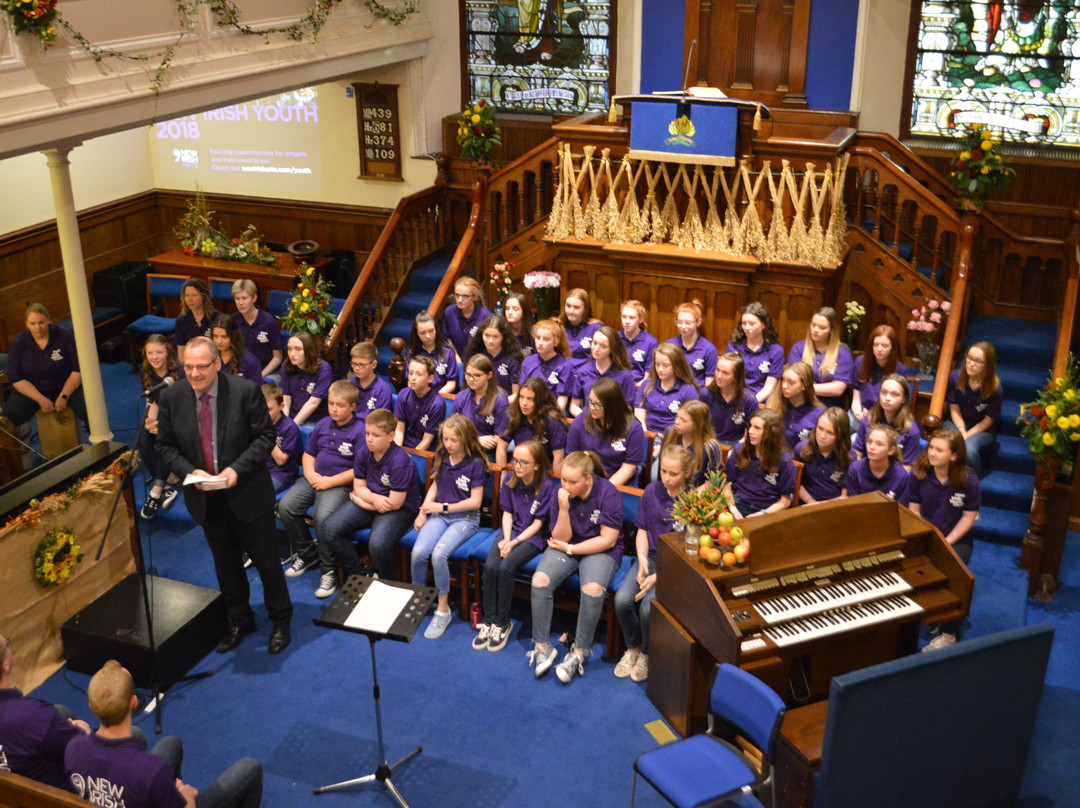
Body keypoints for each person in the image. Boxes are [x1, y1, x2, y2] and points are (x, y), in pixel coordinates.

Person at [156, 337, 293, 655]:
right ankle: (241, 621)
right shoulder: (173, 397)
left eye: (201, 366)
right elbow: (165, 445)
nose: (193, 374)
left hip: (247, 494)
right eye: (188, 367)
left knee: (267, 563)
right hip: (207, 498)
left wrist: (236, 471)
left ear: (217, 363)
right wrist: (191, 471)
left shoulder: (244, 392)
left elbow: (264, 438)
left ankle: (281, 620)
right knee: (226, 565)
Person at [65, 660, 262, 808]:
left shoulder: (74, 748)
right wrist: (186, 795)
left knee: (171, 744)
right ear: (134, 703)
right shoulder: (150, 770)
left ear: (91, 706)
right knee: (251, 768)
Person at [528, 451, 624, 684]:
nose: (567, 486)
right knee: (539, 581)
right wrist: (563, 508)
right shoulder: (559, 493)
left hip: (599, 550)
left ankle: (578, 653)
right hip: (567, 543)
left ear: (588, 479)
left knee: (592, 590)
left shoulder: (608, 493)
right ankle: (542, 646)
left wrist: (572, 550)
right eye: (564, 480)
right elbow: (560, 535)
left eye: (573, 482)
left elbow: (608, 540)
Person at [278, 380, 364, 600]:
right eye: (332, 404)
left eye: (340, 405)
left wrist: (329, 482)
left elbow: (360, 470)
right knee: (286, 506)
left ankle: (329, 570)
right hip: (314, 478)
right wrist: (310, 474)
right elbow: (309, 454)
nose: (334, 409)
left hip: (339, 485)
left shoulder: (361, 431)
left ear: (353, 406)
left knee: (321, 516)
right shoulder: (323, 424)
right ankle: (308, 554)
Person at [613, 445, 692, 684]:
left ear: (687, 474)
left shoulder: (694, 502)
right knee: (622, 600)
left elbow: (690, 551)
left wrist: (659, 577)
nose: (666, 478)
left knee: (648, 608)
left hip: (676, 566)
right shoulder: (651, 490)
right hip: (651, 557)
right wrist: (644, 560)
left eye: (674, 474)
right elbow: (642, 531)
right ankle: (632, 648)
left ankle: (647, 654)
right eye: (664, 471)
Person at [321, 409, 422, 582]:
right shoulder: (364, 451)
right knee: (329, 529)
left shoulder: (400, 461)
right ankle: (360, 573)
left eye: (376, 435)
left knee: (378, 544)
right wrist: (373, 499)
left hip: (400, 509)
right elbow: (359, 486)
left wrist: (365, 503)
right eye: (367, 433)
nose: (369, 439)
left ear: (391, 436)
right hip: (373, 499)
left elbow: (394, 504)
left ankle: (387, 581)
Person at [475, 440, 556, 653]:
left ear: (536, 465)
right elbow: (508, 513)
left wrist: (514, 543)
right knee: (491, 566)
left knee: (506, 567)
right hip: (510, 532)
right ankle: (489, 619)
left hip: (533, 537)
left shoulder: (546, 486)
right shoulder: (511, 479)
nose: (517, 466)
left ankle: (503, 622)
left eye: (523, 462)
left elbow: (539, 524)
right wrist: (507, 538)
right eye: (515, 460)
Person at [412, 415, 489, 640]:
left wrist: (442, 507)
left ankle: (442, 610)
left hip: (465, 519)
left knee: (439, 555)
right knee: (418, 552)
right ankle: (419, 599)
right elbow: (436, 485)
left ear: (465, 439)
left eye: (453, 440)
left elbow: (475, 502)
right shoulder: (443, 457)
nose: (448, 444)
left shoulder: (476, 464)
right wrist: (422, 511)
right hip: (439, 515)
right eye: (445, 439)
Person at [911, 429, 981, 651]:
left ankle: (949, 634)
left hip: (955, 538)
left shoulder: (968, 480)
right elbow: (914, 510)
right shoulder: (919, 473)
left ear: (953, 456)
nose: (931, 453)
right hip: (926, 534)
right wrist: (929, 538)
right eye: (931, 447)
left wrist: (946, 541)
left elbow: (969, 517)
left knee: (957, 575)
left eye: (938, 450)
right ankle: (930, 612)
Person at [0, 631, 90, 790]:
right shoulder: (32, 715)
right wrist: (83, 732)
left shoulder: (33, 716)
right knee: (134, 735)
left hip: (10, 790)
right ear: (5, 665)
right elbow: (84, 749)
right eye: (7, 644)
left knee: (61, 711)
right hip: (51, 797)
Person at [1, 303, 87, 427]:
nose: (38, 327)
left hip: (66, 386)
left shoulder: (65, 336)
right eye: (33, 324)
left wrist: (63, 396)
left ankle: (99, 441)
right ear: (26, 324)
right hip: (35, 389)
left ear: (48, 320)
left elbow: (77, 370)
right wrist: (40, 399)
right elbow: (16, 379)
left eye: (41, 322)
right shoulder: (18, 343)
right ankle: (21, 443)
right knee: (9, 415)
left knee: (89, 408)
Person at [566, 377, 646, 486]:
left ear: (612, 405)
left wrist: (605, 490)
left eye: (597, 404)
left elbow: (629, 468)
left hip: (620, 484)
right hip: (586, 480)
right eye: (590, 401)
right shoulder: (581, 421)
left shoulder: (633, 428)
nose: (592, 407)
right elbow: (573, 457)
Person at [139, 334, 183, 519]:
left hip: (179, 417)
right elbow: (153, 400)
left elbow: (184, 406)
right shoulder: (146, 372)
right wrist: (151, 422)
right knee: (144, 441)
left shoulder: (178, 372)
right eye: (150, 353)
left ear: (168, 352)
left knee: (164, 440)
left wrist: (163, 425)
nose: (154, 357)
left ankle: (155, 492)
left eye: (159, 352)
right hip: (161, 417)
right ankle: (165, 487)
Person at [944, 341, 1003, 477]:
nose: (971, 364)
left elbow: (988, 420)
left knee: (968, 449)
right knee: (945, 443)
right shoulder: (955, 377)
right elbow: (954, 408)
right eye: (969, 358)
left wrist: (966, 436)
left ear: (988, 365)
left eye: (977, 361)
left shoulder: (996, 389)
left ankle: (972, 486)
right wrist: (961, 431)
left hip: (981, 428)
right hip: (955, 422)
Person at [723, 408, 796, 518]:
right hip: (738, 503)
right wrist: (733, 509)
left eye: (757, 428)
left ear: (771, 433)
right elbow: (726, 485)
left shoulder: (784, 460)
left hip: (767, 509)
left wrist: (762, 514)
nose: (750, 431)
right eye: (750, 426)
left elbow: (785, 501)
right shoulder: (739, 450)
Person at [496, 376, 567, 473]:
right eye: (521, 397)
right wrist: (502, 478)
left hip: (544, 471)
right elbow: (501, 447)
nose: (524, 403)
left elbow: (558, 458)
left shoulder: (552, 421)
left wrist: (555, 484)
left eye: (530, 399)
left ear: (540, 400)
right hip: (519, 466)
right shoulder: (512, 415)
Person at [787, 306, 854, 408]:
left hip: (829, 407)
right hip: (801, 403)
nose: (815, 330)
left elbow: (838, 389)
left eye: (822, 327)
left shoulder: (842, 352)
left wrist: (805, 387)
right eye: (813, 325)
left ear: (831, 330)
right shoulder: (799, 347)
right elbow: (792, 380)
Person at [853, 373, 922, 466]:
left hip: (893, 477)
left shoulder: (911, 430)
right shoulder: (868, 420)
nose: (887, 398)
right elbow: (857, 455)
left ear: (904, 399)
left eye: (894, 394)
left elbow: (906, 468)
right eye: (884, 392)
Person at [634, 342, 701, 437]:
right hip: (647, 436)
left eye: (666, 365)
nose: (660, 369)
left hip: (673, 438)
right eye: (657, 364)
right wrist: (647, 437)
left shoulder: (688, 391)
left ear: (677, 365)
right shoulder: (646, 385)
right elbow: (639, 418)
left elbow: (687, 425)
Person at [570, 325, 637, 416]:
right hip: (588, 421)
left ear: (612, 349)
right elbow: (574, 405)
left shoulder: (624, 375)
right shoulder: (583, 371)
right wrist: (585, 419)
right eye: (594, 343)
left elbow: (627, 410)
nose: (596, 349)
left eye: (603, 346)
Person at [451, 354, 509, 457]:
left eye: (477, 375)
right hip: (462, 447)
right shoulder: (461, 396)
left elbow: (498, 441)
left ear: (489, 375)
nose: (471, 379)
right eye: (468, 375)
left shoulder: (500, 401)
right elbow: (452, 429)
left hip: (485, 454)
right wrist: (476, 440)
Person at [726, 301, 785, 403]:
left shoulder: (776, 351)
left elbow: (769, 387)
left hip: (761, 401)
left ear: (763, 325)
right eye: (744, 323)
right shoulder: (734, 346)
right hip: (735, 397)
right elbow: (727, 378)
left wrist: (752, 403)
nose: (747, 327)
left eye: (752, 324)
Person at [659, 399, 725, 487]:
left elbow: (712, 481)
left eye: (683, 420)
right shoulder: (670, 433)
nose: (677, 422)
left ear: (696, 425)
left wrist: (691, 497)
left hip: (695, 494)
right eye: (677, 417)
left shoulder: (710, 447)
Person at [851, 324, 909, 424]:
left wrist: (873, 414)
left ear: (892, 348)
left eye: (885, 345)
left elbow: (897, 405)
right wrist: (857, 412)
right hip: (860, 412)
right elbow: (856, 397)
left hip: (884, 418)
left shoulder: (900, 369)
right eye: (876, 344)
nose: (879, 349)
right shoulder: (860, 362)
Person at [842, 423, 911, 504]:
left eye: (879, 444)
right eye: (869, 442)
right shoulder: (855, 469)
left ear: (891, 450)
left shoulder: (901, 476)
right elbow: (852, 505)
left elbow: (900, 511)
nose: (872, 447)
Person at [798, 407, 854, 504]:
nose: (822, 436)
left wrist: (820, 506)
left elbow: (844, 497)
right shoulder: (801, 449)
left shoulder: (849, 458)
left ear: (840, 435)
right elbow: (796, 484)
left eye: (830, 433)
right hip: (805, 504)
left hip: (834, 508)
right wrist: (811, 502)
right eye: (820, 429)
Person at [519, 318, 575, 413]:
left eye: (546, 339)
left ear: (556, 342)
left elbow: (561, 403)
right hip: (528, 409)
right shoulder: (528, 361)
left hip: (550, 411)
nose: (540, 343)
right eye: (538, 338)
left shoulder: (565, 366)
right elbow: (522, 392)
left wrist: (548, 416)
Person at [703, 351, 759, 445]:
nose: (719, 376)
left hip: (737, 443)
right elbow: (700, 427)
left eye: (725, 373)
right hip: (710, 442)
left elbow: (748, 436)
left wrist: (736, 450)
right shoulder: (706, 394)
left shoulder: (749, 400)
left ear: (736, 377)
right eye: (717, 370)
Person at [231, 279, 283, 379]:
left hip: (267, 372)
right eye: (237, 299)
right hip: (243, 372)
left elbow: (277, 357)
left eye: (244, 298)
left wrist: (259, 376)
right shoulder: (234, 320)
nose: (240, 303)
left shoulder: (268, 321)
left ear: (254, 298)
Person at [394, 355, 446, 451]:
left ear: (430, 378)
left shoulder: (437, 404)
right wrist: (397, 452)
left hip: (424, 451)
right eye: (410, 373)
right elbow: (399, 430)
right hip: (404, 445)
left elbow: (426, 441)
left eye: (419, 374)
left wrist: (412, 456)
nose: (413, 378)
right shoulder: (403, 395)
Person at [280, 332, 333, 426]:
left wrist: (292, 426)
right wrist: (285, 422)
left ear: (309, 350)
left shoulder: (324, 369)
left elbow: (313, 403)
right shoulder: (286, 365)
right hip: (293, 414)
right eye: (289, 349)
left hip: (315, 419)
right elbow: (286, 397)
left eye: (298, 349)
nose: (292, 354)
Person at [768, 362, 826, 449]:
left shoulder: (819, 413)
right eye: (783, 380)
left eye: (790, 382)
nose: (784, 386)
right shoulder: (773, 404)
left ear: (804, 386)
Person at [464, 315, 523, 397]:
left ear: (503, 337)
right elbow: (468, 387)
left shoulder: (512, 359)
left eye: (495, 336)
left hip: (503, 405)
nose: (490, 341)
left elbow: (516, 394)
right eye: (487, 335)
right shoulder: (475, 354)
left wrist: (500, 405)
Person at [261, 382, 302, 494]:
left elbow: (281, 460)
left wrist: (265, 433)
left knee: (257, 495)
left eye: (269, 409)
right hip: (260, 469)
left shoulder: (289, 428)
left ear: (281, 406)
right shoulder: (257, 421)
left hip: (280, 474)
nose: (264, 414)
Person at [666, 300, 718, 388]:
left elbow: (709, 383)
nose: (683, 327)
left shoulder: (709, 349)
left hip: (697, 394)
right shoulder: (670, 345)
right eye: (679, 322)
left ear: (698, 322)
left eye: (688, 323)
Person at [405, 311, 458, 394]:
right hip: (419, 395)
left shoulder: (448, 352)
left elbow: (451, 383)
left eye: (431, 331)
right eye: (423, 333)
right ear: (417, 334)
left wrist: (435, 399)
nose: (428, 336)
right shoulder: (413, 353)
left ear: (436, 329)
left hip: (441, 396)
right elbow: (410, 381)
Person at [171, 278, 218, 364]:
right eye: (187, 295)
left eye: (194, 295)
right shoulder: (181, 320)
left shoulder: (216, 318)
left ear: (203, 296)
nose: (190, 299)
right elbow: (181, 355)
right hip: (190, 363)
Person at [443, 277, 492, 358]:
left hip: (479, 361)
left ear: (474, 297)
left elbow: (488, 345)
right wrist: (455, 356)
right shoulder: (450, 312)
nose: (459, 300)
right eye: (457, 295)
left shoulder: (485, 315)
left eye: (465, 296)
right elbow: (447, 339)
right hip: (456, 360)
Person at [347, 341, 394, 423]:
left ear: (374, 364)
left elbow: (381, 422)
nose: (357, 368)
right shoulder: (349, 384)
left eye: (361, 365)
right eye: (354, 364)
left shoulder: (382, 390)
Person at [211, 314, 263, 384]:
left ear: (233, 336)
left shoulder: (249, 360)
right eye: (215, 336)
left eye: (224, 337)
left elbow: (257, 390)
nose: (219, 341)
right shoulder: (209, 358)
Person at [559, 287, 602, 369]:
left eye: (576, 307)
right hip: (563, 372)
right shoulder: (559, 326)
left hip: (586, 374)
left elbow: (601, 358)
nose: (571, 311)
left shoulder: (595, 328)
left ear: (585, 309)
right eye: (568, 306)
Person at [619, 299, 658, 387]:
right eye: (624, 317)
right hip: (616, 386)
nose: (627, 321)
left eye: (632, 318)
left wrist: (638, 386)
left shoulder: (651, 342)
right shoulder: (615, 338)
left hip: (637, 386)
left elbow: (649, 375)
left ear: (641, 319)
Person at [503, 292, 535, 357]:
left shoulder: (534, 332)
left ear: (524, 311)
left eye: (515, 309)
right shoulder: (502, 331)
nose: (510, 312)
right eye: (507, 308)